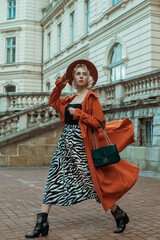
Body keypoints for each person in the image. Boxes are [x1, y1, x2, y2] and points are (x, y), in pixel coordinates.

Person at [25, 59, 139, 238]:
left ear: (88, 79)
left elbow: (99, 122)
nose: (81, 77)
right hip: (65, 145)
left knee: (93, 183)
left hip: (81, 145)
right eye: (78, 74)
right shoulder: (69, 99)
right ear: (73, 78)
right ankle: (42, 222)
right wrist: (59, 85)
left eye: (84, 74)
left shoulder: (91, 98)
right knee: (53, 179)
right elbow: (53, 102)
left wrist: (79, 114)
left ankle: (119, 215)